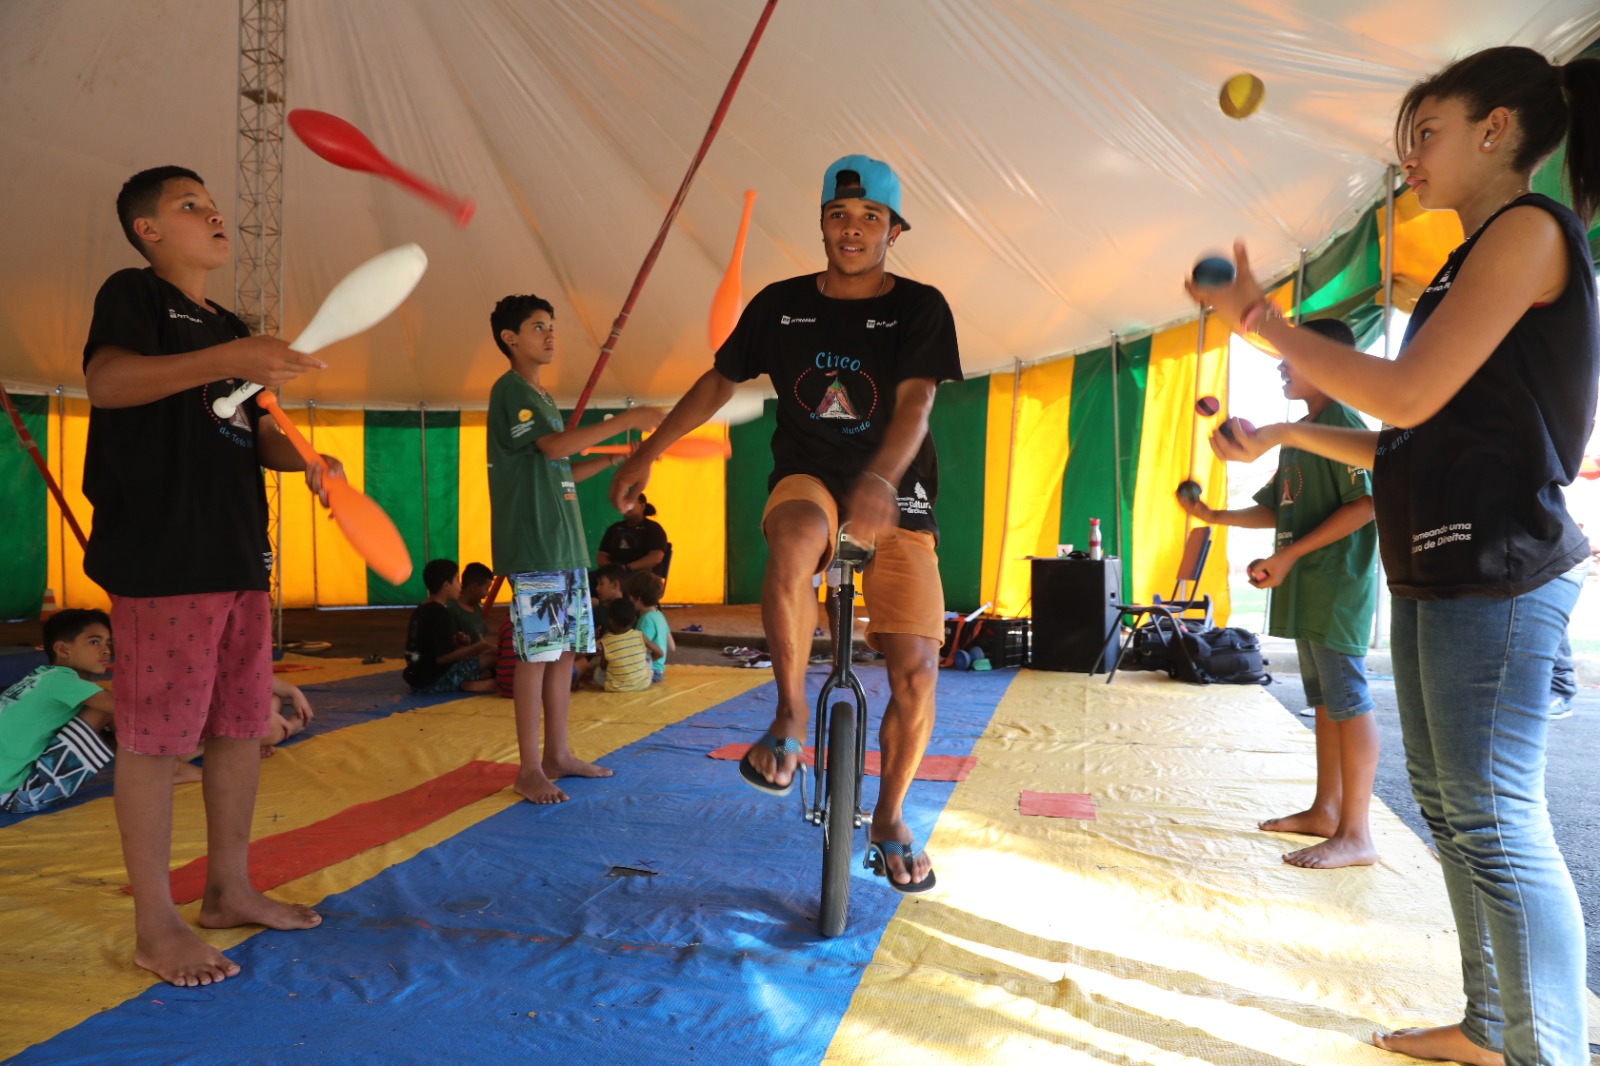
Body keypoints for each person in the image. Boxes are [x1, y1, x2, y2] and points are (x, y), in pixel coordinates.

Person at [1197, 46, 1599, 1066]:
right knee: (1456, 812)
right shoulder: (1467, 263)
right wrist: (1286, 435)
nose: (1407, 157)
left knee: (1496, 819)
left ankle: (1542, 1049)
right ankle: (1488, 1026)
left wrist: (1263, 321)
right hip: (1437, 562)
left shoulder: (1527, 232)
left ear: (1495, 130)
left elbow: (1407, 393)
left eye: (1425, 133)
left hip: (1502, 569)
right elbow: (1404, 436)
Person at [612, 155, 961, 892]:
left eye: (870, 218)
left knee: (917, 672)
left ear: (894, 230)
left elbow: (917, 403)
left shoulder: (920, 306)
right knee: (796, 538)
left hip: (896, 490)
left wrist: (878, 480)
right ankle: (791, 718)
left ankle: (891, 816)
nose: (853, 229)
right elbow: (719, 379)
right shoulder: (780, 304)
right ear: (823, 225)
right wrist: (650, 449)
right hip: (811, 478)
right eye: (840, 215)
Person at [83, 166, 334, 985]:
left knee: (239, 725)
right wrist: (233, 354)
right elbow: (109, 382)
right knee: (156, 741)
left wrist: (308, 459)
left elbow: (247, 434)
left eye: (213, 203)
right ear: (148, 231)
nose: (213, 214)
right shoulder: (137, 295)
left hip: (235, 553)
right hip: (163, 554)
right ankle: (155, 925)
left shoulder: (230, 325)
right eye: (189, 205)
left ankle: (227, 888)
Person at [1177, 318, 1379, 870]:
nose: (1281, 365)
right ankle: (1326, 810)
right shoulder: (1301, 434)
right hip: (1309, 586)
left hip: (1336, 586)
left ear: (1328, 363)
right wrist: (1212, 514)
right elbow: (1276, 506)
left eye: (1291, 355)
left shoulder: (1342, 426)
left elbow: (1366, 504)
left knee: (1348, 698)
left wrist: (1287, 555)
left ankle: (1356, 833)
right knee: (1325, 704)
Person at [487, 293, 661, 803]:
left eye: (551, 326)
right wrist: (627, 421)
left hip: (564, 548)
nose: (549, 335)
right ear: (510, 338)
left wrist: (613, 460)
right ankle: (528, 767)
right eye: (538, 327)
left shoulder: (540, 398)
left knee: (563, 653)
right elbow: (554, 448)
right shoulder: (510, 391)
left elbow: (560, 467)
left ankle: (558, 754)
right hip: (536, 547)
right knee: (537, 654)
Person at [0, 610, 202, 813]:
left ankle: (163, 762)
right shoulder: (61, 681)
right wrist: (184, 701)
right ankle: (164, 769)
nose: (106, 650)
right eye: (94, 642)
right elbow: (130, 711)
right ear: (62, 649)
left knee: (103, 710)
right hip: (20, 794)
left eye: (108, 643)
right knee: (106, 708)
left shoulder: (39, 677)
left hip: (8, 789)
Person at [402, 559, 498, 694]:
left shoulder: (422, 609)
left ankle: (478, 679)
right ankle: (476, 683)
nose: (460, 586)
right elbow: (442, 658)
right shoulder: (439, 612)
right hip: (433, 681)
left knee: (485, 661)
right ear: (446, 585)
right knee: (494, 658)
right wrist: (476, 647)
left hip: (417, 677)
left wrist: (456, 642)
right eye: (457, 580)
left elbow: (429, 647)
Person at [589, 598, 660, 694]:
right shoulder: (640, 635)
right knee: (646, 656)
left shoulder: (606, 640)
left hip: (615, 686)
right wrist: (644, 662)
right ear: (634, 619)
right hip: (643, 683)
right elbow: (659, 653)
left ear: (610, 621)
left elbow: (603, 666)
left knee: (597, 673)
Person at [596, 494, 669, 577]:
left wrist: (627, 568)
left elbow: (656, 557)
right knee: (584, 582)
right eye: (624, 503)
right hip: (613, 575)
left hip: (641, 576)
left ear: (642, 506)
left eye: (630, 503)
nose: (626, 506)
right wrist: (610, 568)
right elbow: (601, 554)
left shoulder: (654, 528)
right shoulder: (614, 528)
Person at [625, 570, 674, 683]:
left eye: (631, 597)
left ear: (639, 599)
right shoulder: (659, 615)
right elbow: (672, 646)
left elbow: (638, 650)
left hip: (649, 671)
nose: (629, 600)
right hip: (659, 671)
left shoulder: (646, 619)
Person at [447, 561, 494, 645]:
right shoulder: (452, 611)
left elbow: (484, 639)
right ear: (474, 587)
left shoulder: (477, 608)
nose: (487, 594)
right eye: (486, 589)